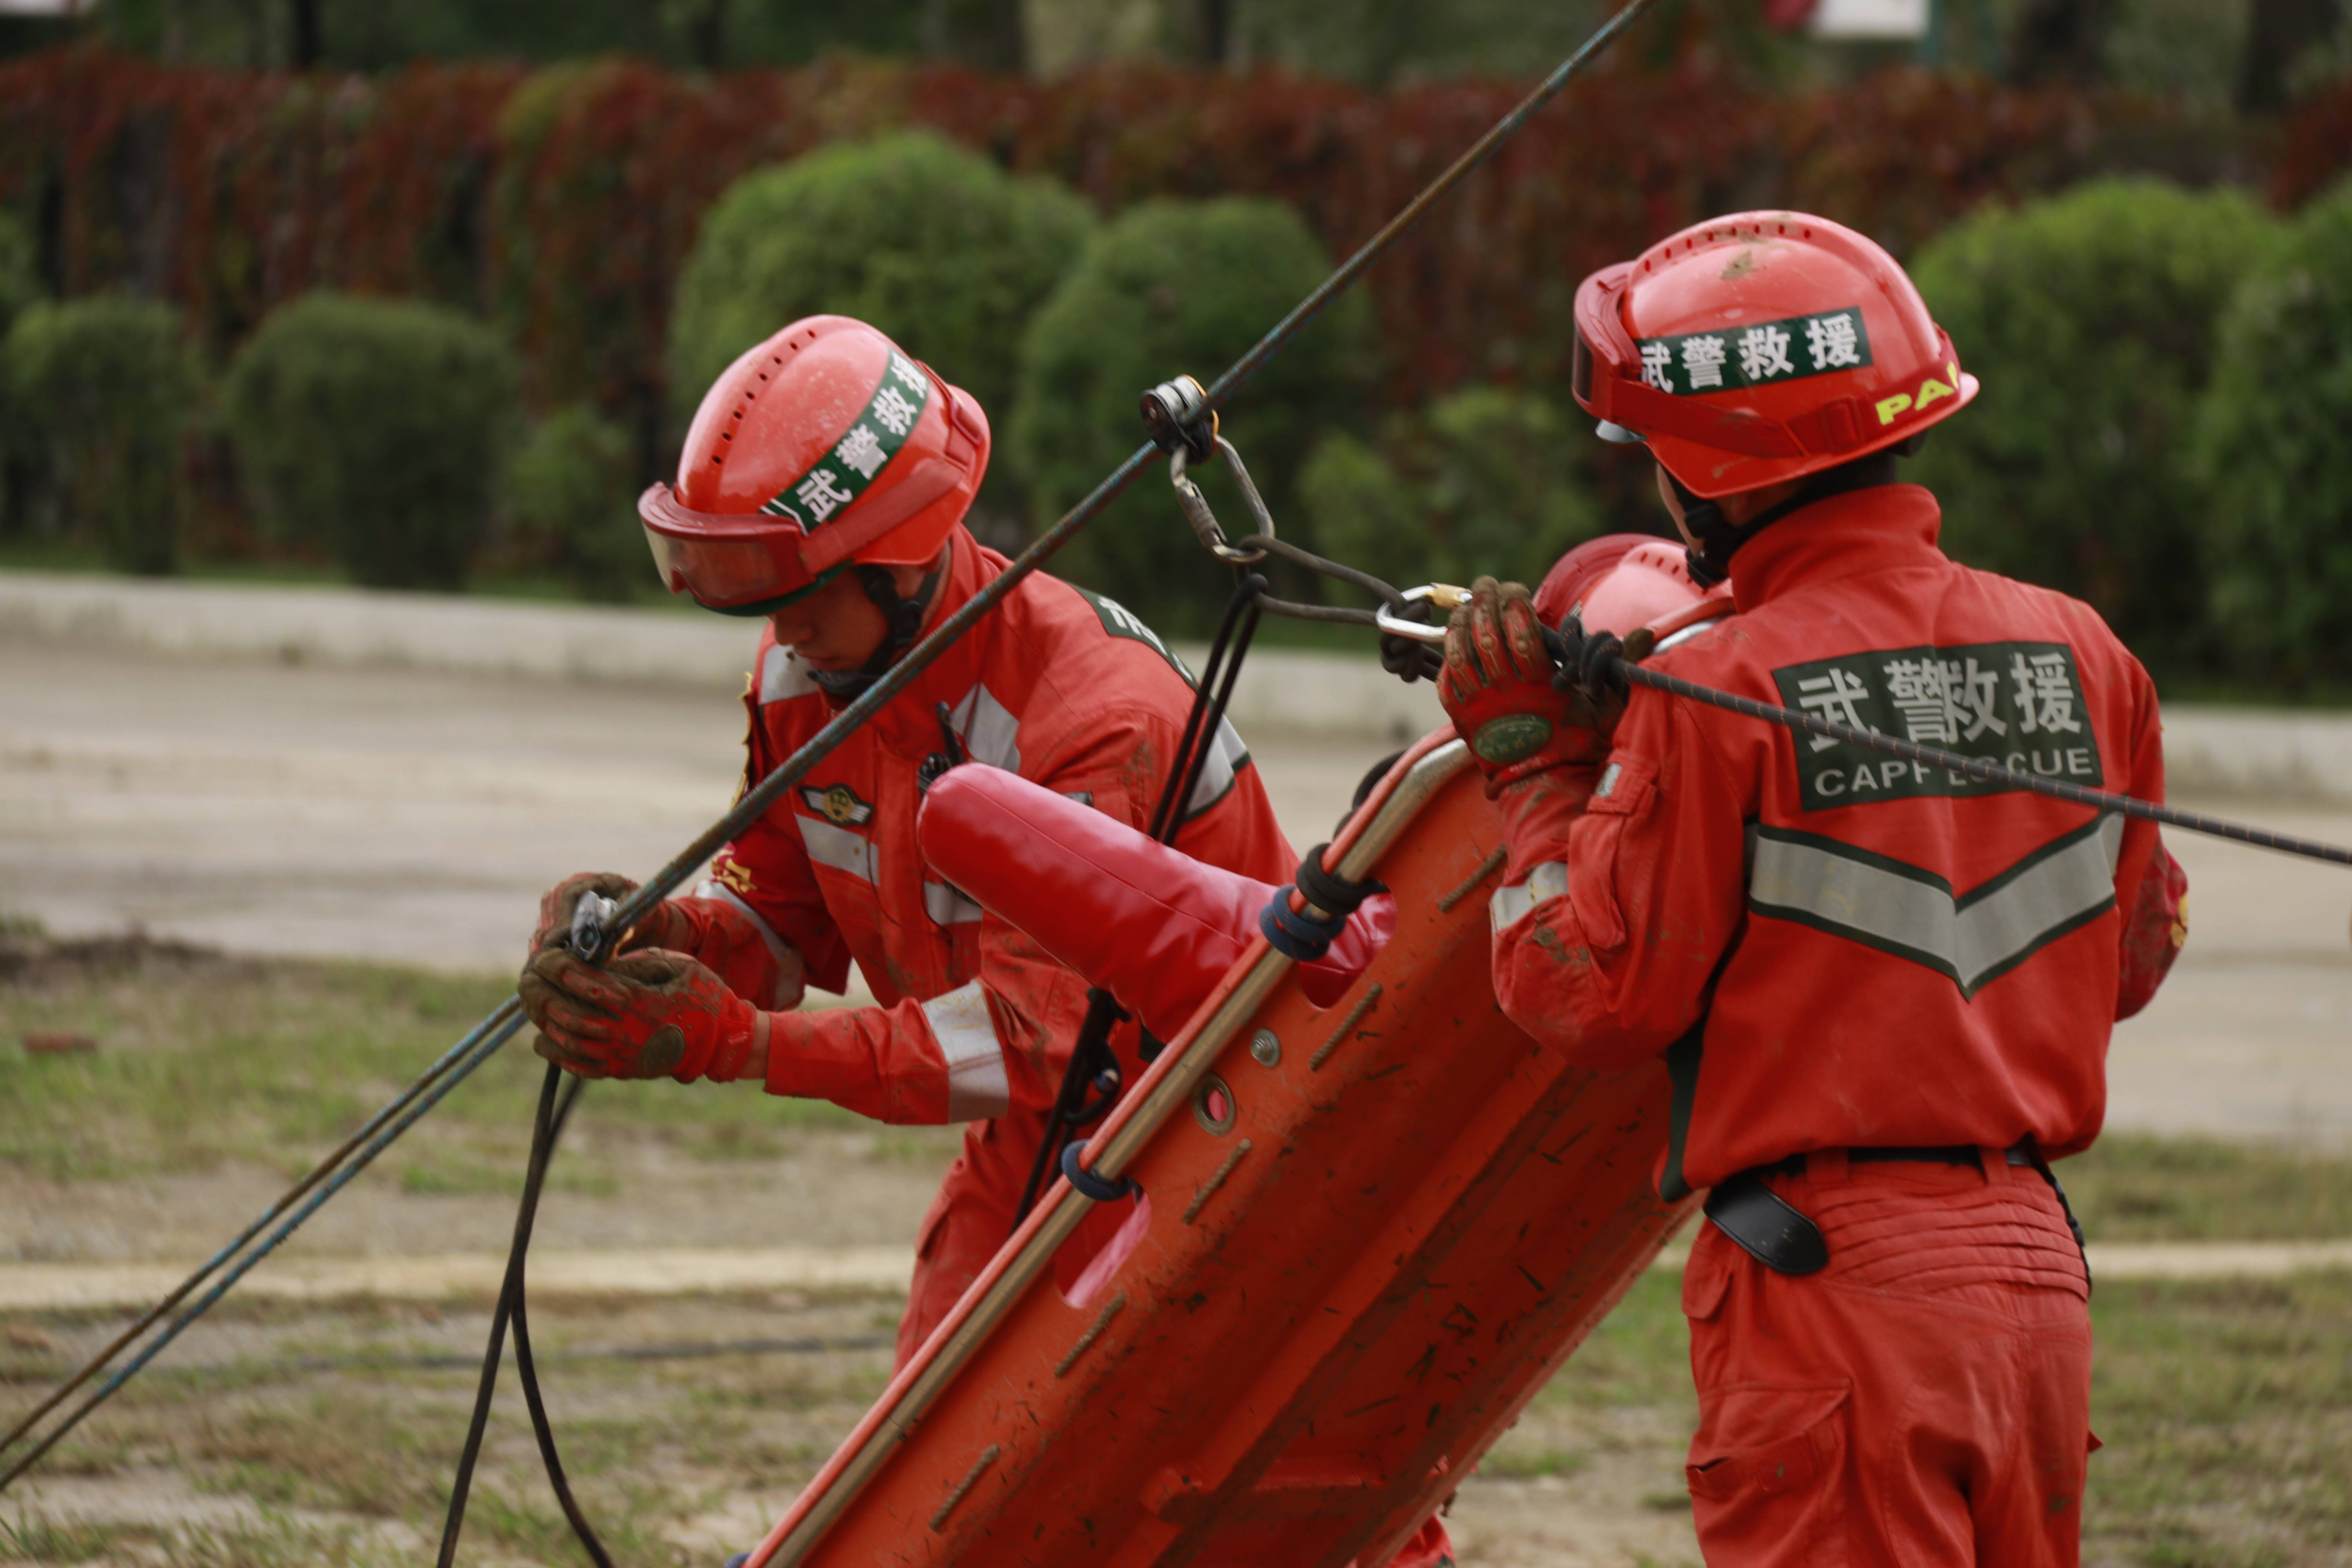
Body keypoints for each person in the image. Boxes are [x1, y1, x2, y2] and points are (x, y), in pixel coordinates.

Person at [1432, 212, 2189, 1565]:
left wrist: (1530, 767)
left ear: (1707, 479)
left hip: (1829, 1286)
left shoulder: (1720, 688)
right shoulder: (2090, 656)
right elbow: (2128, 963)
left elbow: (1591, 990)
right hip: (2035, 1284)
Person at [512, 314, 1298, 1372]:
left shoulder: (1090, 721)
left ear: (900, 559)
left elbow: (1022, 1043)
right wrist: (660, 934)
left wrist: (730, 1045)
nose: (779, 632)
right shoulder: (806, 676)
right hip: (1050, 1133)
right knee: (930, 1454)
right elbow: (778, 929)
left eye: (799, 596)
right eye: (757, 599)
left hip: (1242, 1124)